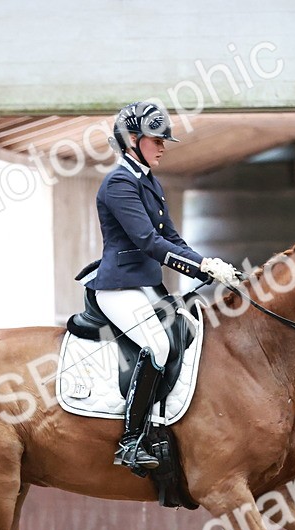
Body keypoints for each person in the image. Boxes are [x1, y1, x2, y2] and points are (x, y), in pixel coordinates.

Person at [89, 100, 234, 471]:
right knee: (156, 347)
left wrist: (209, 267)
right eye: (156, 139)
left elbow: (172, 236)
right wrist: (199, 264)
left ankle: (166, 421)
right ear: (132, 140)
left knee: (188, 333)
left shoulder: (149, 182)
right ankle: (130, 440)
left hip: (146, 286)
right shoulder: (119, 183)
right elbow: (149, 242)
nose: (163, 145)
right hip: (119, 288)